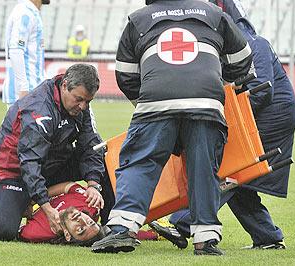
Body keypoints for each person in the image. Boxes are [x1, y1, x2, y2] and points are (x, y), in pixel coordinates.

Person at [91, 0, 252, 255]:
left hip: (156, 101)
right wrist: (221, 85)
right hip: (206, 102)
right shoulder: (213, 13)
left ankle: (122, 229)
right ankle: (205, 240)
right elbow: (243, 58)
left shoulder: (138, 19)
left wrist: (147, 103)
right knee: (203, 168)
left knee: (140, 163)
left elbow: (126, 75)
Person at [150, 0, 295, 251]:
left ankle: (183, 224)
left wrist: (220, 120)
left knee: (231, 171)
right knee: (241, 178)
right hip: (264, 115)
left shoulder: (252, 43)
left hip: (271, 117)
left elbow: (261, 92)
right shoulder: (240, 42)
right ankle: (268, 238)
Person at [0, 64, 106, 242]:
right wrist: (45, 207)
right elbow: (30, 162)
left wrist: (93, 184)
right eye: (79, 99)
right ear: (64, 85)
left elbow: (91, 144)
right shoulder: (40, 109)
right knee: (4, 230)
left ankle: (110, 226)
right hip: (13, 171)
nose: (83, 106)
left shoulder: (80, 106)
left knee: (105, 157)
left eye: (88, 101)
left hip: (51, 165)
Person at [19, 181, 106, 246]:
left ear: (67, 235)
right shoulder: (91, 202)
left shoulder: (35, 233)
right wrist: (35, 199)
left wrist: (20, 209)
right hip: (48, 179)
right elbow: (68, 186)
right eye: (90, 222)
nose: (81, 219)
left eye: (80, 229)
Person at [2, 0, 50, 109]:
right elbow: (15, 50)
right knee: (20, 126)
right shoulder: (25, 13)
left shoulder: (31, 12)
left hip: (34, 89)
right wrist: (23, 87)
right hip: (26, 91)